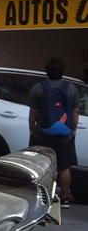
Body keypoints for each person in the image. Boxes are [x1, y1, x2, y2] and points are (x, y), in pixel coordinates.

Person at [28, 57, 80, 208]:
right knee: (64, 167)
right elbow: (75, 111)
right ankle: (64, 198)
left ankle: (41, 196)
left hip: (42, 133)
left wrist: (32, 128)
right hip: (65, 134)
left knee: (41, 165)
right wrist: (73, 129)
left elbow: (33, 112)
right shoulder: (71, 89)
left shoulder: (38, 88)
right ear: (62, 72)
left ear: (47, 71)